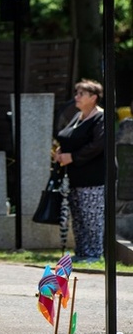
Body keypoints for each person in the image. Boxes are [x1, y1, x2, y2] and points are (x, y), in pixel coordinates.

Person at [54, 79, 105, 262]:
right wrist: (61, 151)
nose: (76, 97)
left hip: (94, 177)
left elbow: (98, 145)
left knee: (92, 217)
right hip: (76, 176)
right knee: (79, 217)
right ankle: (83, 252)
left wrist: (72, 157)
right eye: (77, 93)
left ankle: (94, 254)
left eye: (81, 94)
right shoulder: (78, 116)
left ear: (93, 97)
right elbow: (69, 137)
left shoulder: (101, 117)